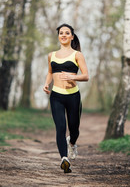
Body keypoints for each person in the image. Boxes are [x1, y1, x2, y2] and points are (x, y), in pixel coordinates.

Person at [43, 23, 89, 173]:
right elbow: (50, 72)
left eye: (67, 33)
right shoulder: (52, 55)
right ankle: (64, 159)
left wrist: (71, 76)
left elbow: (86, 76)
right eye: (61, 33)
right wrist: (46, 83)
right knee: (60, 128)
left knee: (74, 129)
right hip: (56, 96)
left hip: (73, 96)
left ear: (72, 36)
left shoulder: (77, 55)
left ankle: (72, 143)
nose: (63, 35)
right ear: (58, 36)